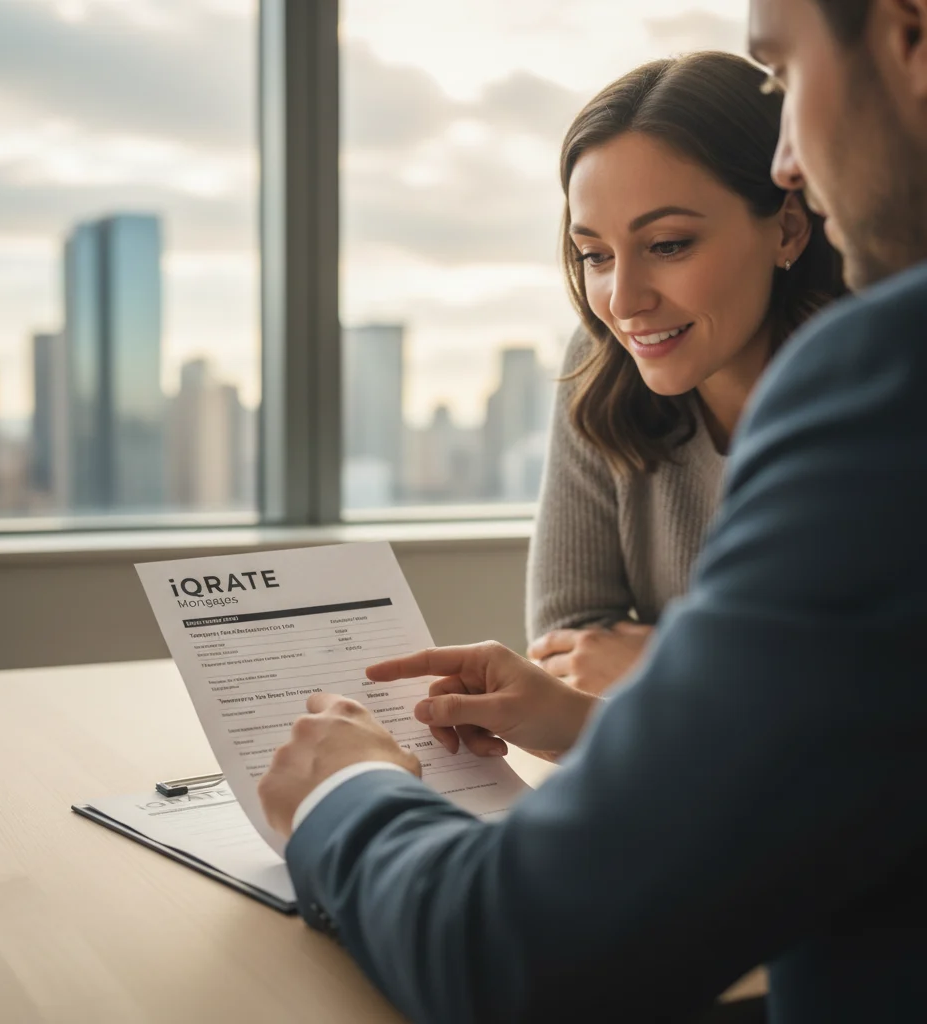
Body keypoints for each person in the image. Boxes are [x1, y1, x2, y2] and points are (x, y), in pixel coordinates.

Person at [258, 1, 927, 1021]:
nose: (788, 153)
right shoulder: (617, 383)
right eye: (592, 253)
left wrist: (342, 792)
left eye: (786, 76)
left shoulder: (876, 387)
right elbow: (585, 643)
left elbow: (513, 956)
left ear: (909, 35)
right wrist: (583, 707)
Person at [526, 52, 846, 696]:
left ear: (787, 229)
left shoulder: (875, 394)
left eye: (667, 244)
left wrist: (667, 664)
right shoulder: (600, 374)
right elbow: (569, 653)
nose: (623, 301)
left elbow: (865, 700)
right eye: (595, 255)